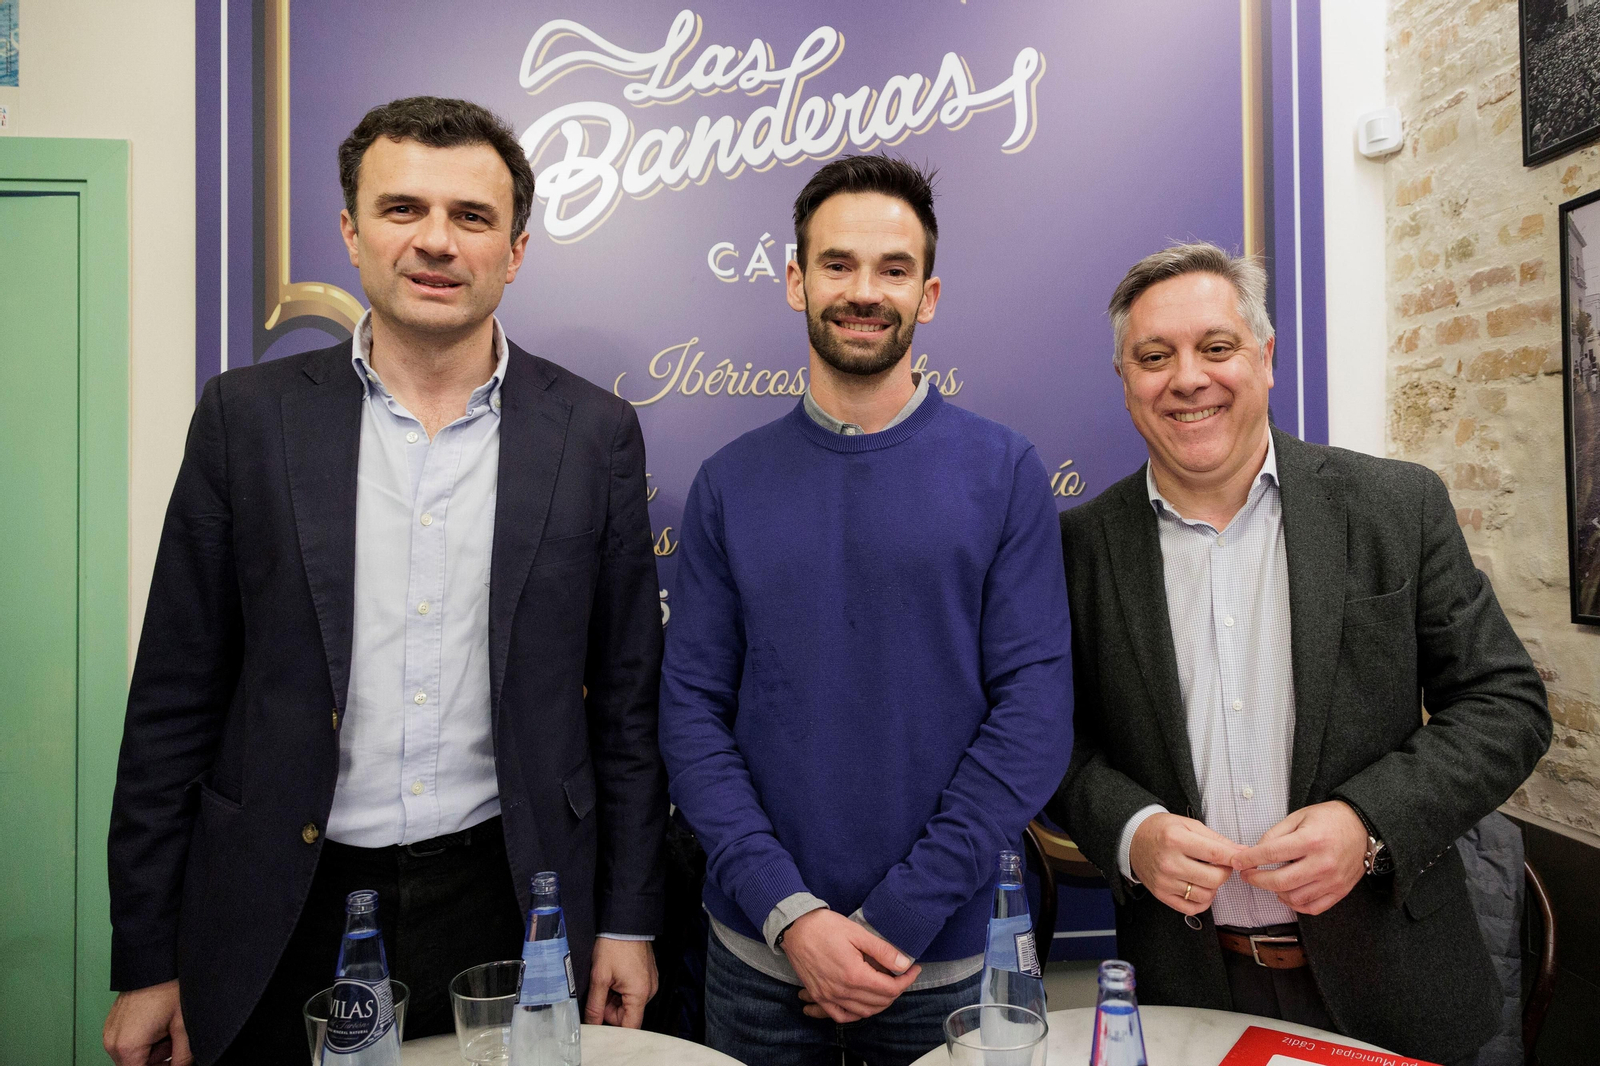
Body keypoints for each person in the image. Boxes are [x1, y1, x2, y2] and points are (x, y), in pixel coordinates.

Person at [103, 97, 667, 1066]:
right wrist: (147, 956)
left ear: (516, 249)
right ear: (351, 233)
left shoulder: (593, 434)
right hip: (281, 896)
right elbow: (172, 702)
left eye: (471, 217)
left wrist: (628, 919)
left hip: (509, 893)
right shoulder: (247, 419)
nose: (436, 241)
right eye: (403, 209)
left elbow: (625, 708)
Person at [1050, 241, 1551, 1065]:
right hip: (1188, 988)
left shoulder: (1397, 506)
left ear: (1266, 358)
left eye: (1216, 347)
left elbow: (1507, 704)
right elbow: (1049, 740)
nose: (1187, 378)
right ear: (1125, 380)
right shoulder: (1076, 548)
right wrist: (1132, 829)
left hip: (1396, 987)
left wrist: (1369, 823)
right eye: (1154, 356)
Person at [658, 155, 1073, 1066]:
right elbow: (690, 715)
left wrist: (896, 918)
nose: (863, 291)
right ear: (797, 281)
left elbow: (1034, 719)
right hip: (759, 960)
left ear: (928, 296)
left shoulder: (1004, 472)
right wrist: (791, 915)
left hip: (951, 970)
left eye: (893, 269)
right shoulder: (728, 483)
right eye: (838, 265)